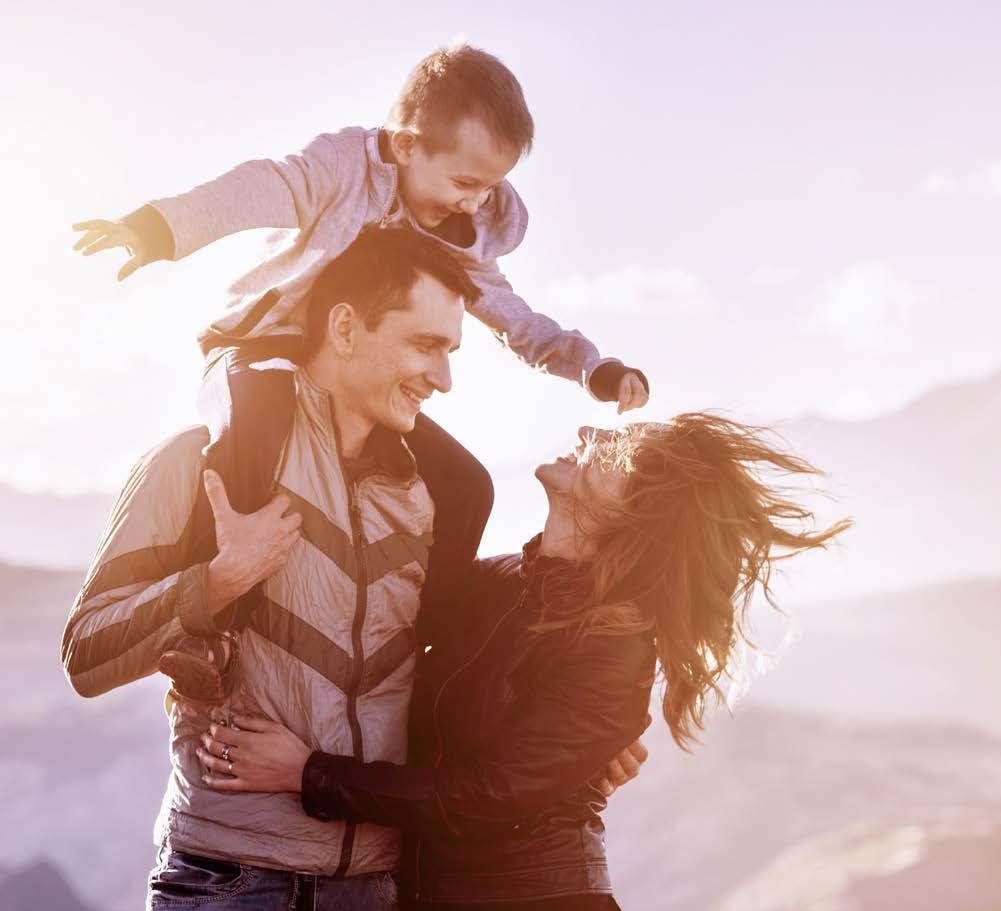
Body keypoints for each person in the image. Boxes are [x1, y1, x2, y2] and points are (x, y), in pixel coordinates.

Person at [61, 227, 636, 911]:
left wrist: (579, 741)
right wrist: (221, 577)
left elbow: (463, 660)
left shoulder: (445, 497)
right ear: (343, 328)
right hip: (221, 880)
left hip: (378, 902)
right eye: (425, 345)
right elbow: (86, 654)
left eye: (451, 351)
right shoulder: (202, 463)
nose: (442, 377)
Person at [195, 413, 852, 911]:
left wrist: (309, 773)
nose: (589, 429)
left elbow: (493, 794)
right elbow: (431, 468)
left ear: (635, 508)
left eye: (619, 449)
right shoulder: (496, 585)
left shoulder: (614, 644)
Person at [69, 41, 649, 698]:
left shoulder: (460, 237)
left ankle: (419, 643)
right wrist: (158, 228)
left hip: (354, 385)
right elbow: (261, 187)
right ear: (406, 145)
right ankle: (217, 631)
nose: (473, 204)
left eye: (490, 188)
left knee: (468, 485)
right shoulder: (343, 171)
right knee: (256, 424)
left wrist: (593, 368)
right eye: (464, 183)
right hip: (264, 347)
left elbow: (513, 316)